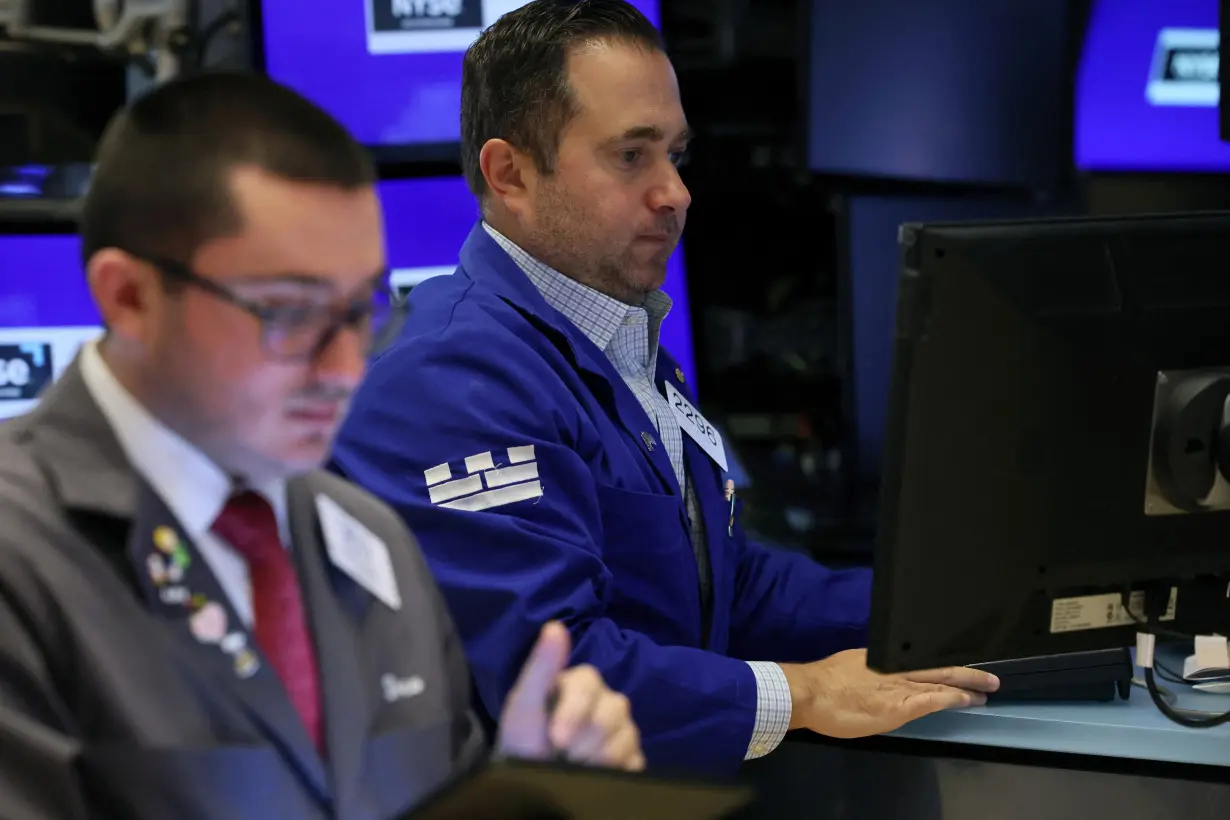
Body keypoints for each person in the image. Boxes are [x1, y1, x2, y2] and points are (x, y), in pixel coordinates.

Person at [329, 0, 999, 777]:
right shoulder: (452, 377)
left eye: (675, 155)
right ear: (509, 173)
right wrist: (803, 693)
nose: (675, 192)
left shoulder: (614, 336)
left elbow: (724, 583)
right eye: (631, 156)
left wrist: (952, 613)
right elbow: (554, 675)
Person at [0, 72, 643, 820]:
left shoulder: (372, 541)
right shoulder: (21, 556)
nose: (344, 370)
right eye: (289, 313)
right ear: (129, 298)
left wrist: (532, 793)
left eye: (361, 309)